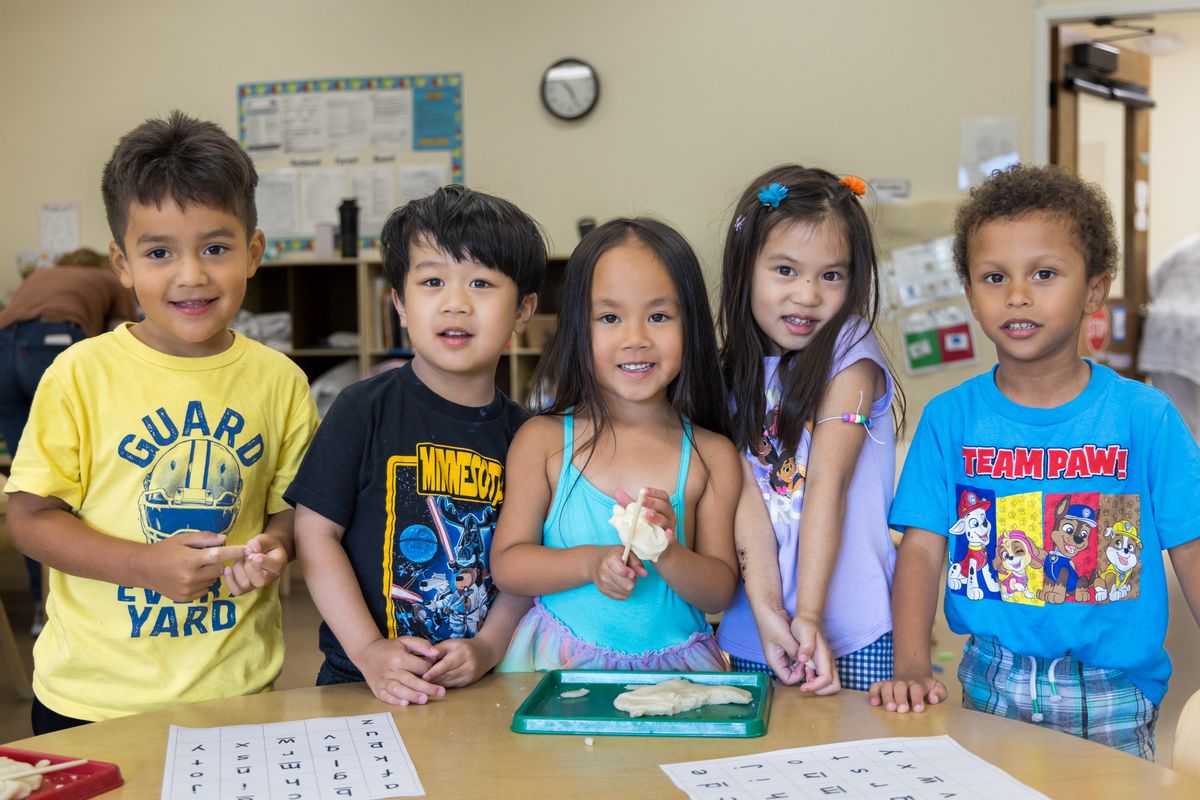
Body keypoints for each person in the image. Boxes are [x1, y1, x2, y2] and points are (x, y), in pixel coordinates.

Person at [868, 164, 1200, 760]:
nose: (1017, 295)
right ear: (970, 294)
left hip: (1113, 693)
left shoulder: (1145, 417)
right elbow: (920, 550)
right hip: (991, 684)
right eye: (994, 277)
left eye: (1044, 274)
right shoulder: (948, 420)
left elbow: (1193, 549)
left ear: (1095, 289)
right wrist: (911, 664)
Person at [5, 111, 318, 734]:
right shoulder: (78, 373)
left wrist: (275, 549)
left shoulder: (280, 381)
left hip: (237, 689)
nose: (191, 274)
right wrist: (143, 566)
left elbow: (293, 512)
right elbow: (30, 520)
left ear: (253, 252)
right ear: (122, 264)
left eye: (216, 247)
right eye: (158, 252)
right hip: (92, 698)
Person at [286, 185, 545, 706]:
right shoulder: (363, 409)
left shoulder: (529, 437)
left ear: (523, 311)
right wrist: (367, 649)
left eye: (481, 282)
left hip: (479, 681)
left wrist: (489, 646)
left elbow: (524, 562)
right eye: (432, 281)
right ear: (400, 304)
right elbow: (315, 536)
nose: (455, 302)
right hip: (358, 677)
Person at [491, 217, 741, 672]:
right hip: (556, 666)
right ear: (577, 330)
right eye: (609, 317)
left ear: (693, 327)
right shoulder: (543, 441)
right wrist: (591, 564)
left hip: (679, 672)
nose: (636, 339)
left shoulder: (712, 455)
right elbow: (508, 565)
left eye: (659, 316)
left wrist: (666, 548)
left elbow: (719, 590)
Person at [713, 165, 904, 693]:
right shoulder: (729, 372)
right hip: (759, 623)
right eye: (785, 271)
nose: (808, 295)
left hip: (849, 627)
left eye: (832, 275)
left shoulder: (851, 356)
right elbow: (743, 498)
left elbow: (826, 486)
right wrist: (772, 610)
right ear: (744, 268)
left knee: (856, 766)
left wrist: (812, 615)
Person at [0, 247, 139, 635]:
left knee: (30, 484)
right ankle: (62, 602)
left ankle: (37, 612)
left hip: (2, 352)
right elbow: (125, 342)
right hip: (51, 340)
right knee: (73, 481)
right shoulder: (109, 279)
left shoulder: (39, 276)